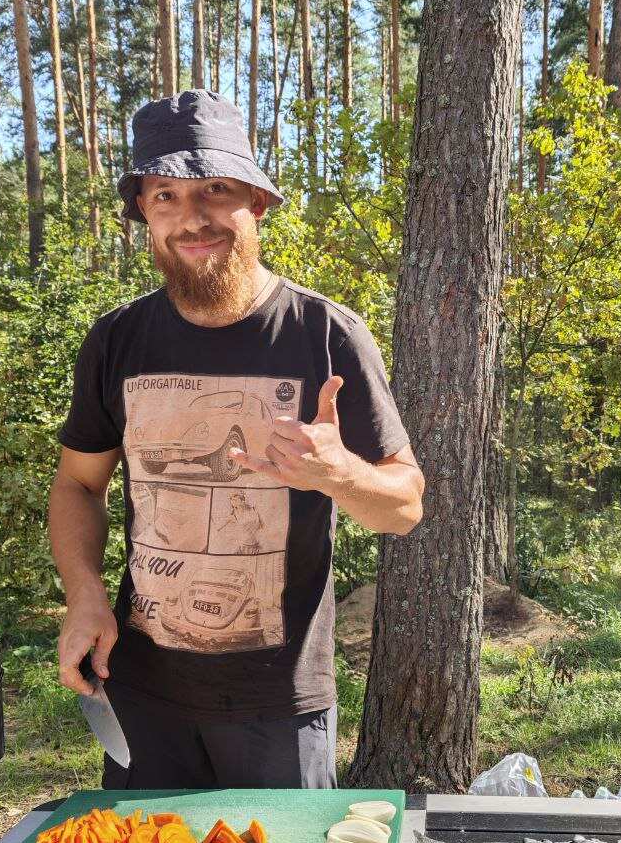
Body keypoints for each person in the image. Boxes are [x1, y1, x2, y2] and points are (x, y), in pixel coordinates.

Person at [49, 89, 424, 790]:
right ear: (144, 215)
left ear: (256, 201)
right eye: (164, 195)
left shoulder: (324, 335)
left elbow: (404, 507)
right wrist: (84, 595)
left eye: (214, 190)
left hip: (277, 704)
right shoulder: (117, 339)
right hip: (141, 693)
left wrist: (340, 474)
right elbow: (78, 484)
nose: (191, 218)